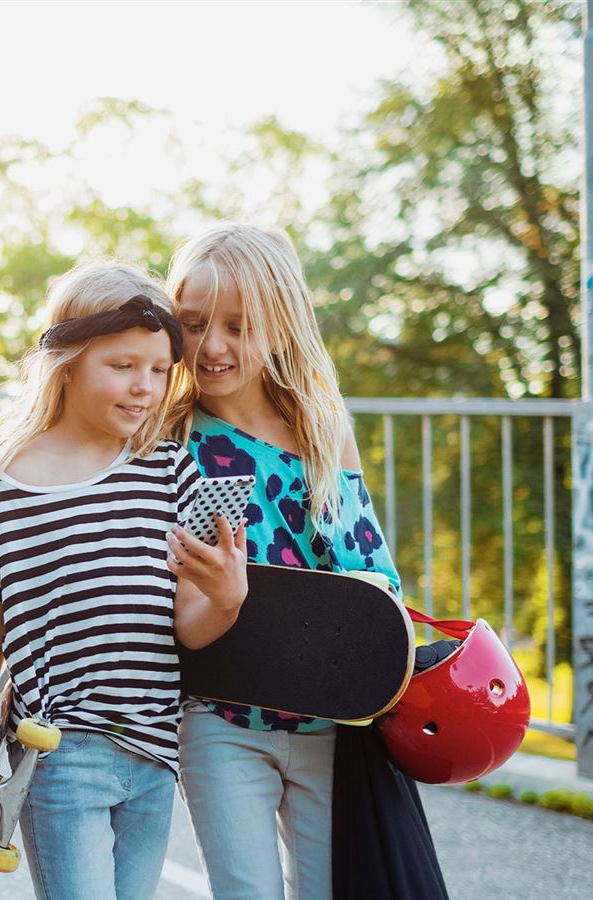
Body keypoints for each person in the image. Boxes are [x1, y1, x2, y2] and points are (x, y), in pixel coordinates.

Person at [0, 261, 248, 900]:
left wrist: (228, 597)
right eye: (124, 366)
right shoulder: (7, 483)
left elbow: (189, 627)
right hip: (60, 755)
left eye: (161, 370)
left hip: (157, 753)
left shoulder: (167, 469)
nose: (145, 388)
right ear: (69, 362)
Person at [164, 223, 448, 900]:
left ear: (282, 327)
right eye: (195, 324)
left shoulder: (323, 430)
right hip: (220, 718)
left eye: (239, 325)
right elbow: (170, 604)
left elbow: (375, 574)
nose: (213, 346)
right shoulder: (165, 439)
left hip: (329, 721)